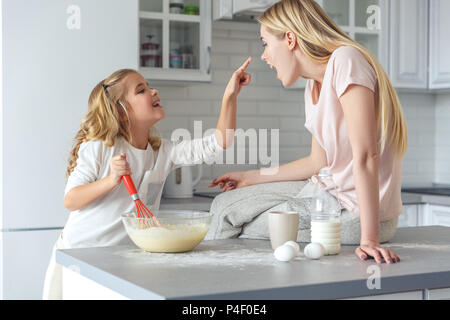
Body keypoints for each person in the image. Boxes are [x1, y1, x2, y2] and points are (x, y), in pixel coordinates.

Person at [210, 0, 407, 264]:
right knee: (223, 206)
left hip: (353, 213)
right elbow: (317, 162)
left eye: (265, 43)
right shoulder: (313, 84)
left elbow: (366, 155)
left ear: (290, 39)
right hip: (324, 194)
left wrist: (369, 239)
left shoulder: (346, 60)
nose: (264, 56)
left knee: (234, 219)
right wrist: (249, 177)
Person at [42, 58, 252, 299]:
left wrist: (230, 96)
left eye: (148, 86)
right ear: (121, 112)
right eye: (141, 90)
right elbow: (71, 199)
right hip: (81, 258)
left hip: (121, 259)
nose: (153, 91)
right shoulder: (101, 146)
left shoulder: (162, 152)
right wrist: (110, 180)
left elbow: (218, 143)